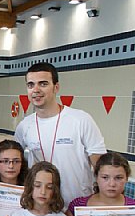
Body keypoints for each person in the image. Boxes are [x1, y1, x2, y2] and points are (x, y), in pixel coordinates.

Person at [14, 62, 106, 208]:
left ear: (56, 87)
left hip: (77, 208)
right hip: (41, 209)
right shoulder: (24, 126)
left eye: (43, 84)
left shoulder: (80, 119)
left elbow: (101, 166)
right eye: (31, 85)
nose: (36, 90)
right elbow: (14, 165)